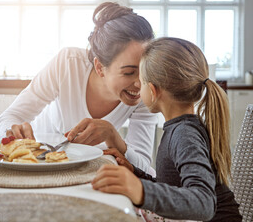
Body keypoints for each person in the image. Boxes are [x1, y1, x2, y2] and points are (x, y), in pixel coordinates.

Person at [0, 2, 158, 172]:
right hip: (38, 162)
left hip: (88, 167)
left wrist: (113, 136)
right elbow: (10, 116)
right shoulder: (68, 64)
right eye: (129, 72)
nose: (140, 83)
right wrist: (10, 134)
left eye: (146, 70)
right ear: (100, 67)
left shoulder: (148, 91)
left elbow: (144, 168)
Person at [91, 37, 242, 221]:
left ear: (153, 91)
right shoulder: (180, 128)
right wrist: (135, 173)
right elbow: (173, 186)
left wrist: (140, 190)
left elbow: (204, 203)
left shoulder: (184, 134)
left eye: (141, 81)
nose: (138, 86)